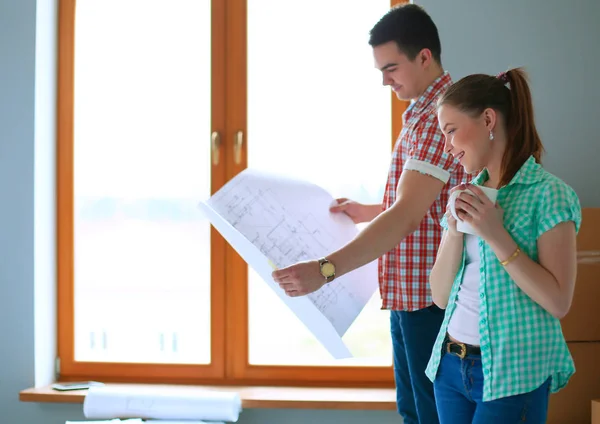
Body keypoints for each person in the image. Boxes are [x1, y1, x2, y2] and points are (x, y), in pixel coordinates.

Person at [271, 4, 465, 424]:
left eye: (391, 68)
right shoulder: (419, 115)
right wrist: (368, 211)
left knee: (427, 416)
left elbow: (407, 216)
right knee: (414, 412)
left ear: (425, 57)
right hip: (410, 297)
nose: (384, 81)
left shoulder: (436, 120)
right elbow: (426, 204)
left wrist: (323, 271)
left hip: (427, 300)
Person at [425, 68, 581, 424]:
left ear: (488, 120)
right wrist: (453, 228)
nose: (449, 147)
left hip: (513, 373)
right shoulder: (469, 194)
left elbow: (559, 302)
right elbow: (440, 296)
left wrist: (495, 234)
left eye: (451, 131)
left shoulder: (549, 194)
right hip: (450, 366)